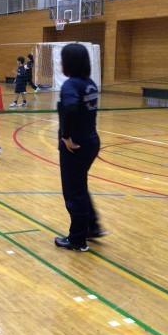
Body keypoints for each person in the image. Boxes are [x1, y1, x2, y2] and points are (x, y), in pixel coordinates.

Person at [54, 43, 104, 252]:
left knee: (74, 192)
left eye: (63, 58)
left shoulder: (70, 85)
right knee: (79, 187)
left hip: (75, 146)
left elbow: (71, 108)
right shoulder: (89, 83)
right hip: (91, 141)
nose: (60, 62)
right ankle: (91, 226)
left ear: (70, 62)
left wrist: (66, 136)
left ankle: (77, 239)